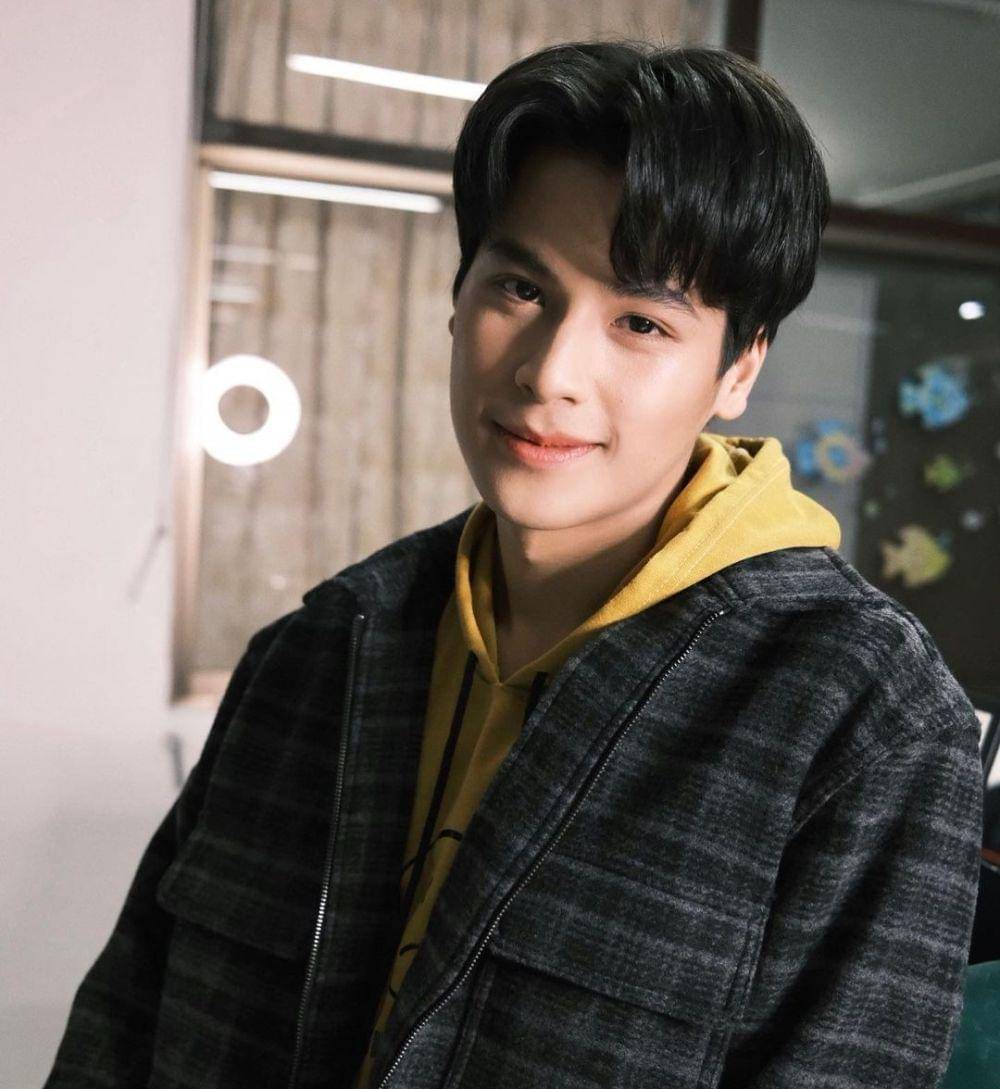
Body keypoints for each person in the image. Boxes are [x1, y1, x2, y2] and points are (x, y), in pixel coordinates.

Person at [44, 39, 983, 1089]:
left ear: (738, 369)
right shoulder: (322, 649)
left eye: (640, 321)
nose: (550, 374)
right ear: (458, 298)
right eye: (522, 289)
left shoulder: (861, 720)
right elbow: (118, 1034)